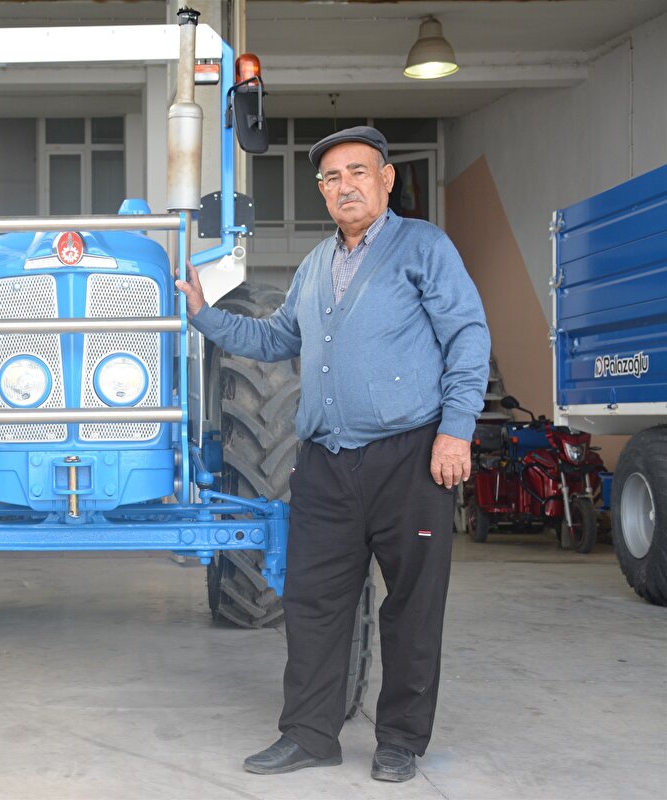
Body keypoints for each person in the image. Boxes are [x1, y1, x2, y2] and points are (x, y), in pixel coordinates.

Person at [177, 126, 489, 783]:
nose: (344, 186)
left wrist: (456, 430)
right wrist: (204, 313)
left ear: (386, 179)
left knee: (412, 605)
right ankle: (310, 734)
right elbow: (276, 339)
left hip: (411, 457)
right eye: (331, 178)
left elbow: (466, 335)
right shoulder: (317, 264)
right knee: (314, 604)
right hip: (325, 461)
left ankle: (400, 740)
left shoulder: (424, 247)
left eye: (357, 172)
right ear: (321, 192)